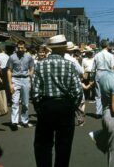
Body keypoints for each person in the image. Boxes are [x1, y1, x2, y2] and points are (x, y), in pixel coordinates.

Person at [32, 34, 83, 167]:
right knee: (64, 146)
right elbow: (78, 91)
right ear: (63, 49)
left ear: (51, 49)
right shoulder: (69, 65)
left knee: (43, 145)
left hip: (46, 105)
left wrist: (39, 107)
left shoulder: (40, 65)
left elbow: (35, 91)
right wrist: (72, 106)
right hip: (65, 106)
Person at [7, 40, 34, 130]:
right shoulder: (12, 57)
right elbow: (9, 71)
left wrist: (30, 77)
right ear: (16, 47)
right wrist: (10, 84)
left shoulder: (29, 57)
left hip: (25, 79)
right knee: (15, 102)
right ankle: (14, 122)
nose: (20, 49)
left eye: (22, 47)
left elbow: (31, 68)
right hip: (16, 79)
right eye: (19, 47)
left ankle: (24, 121)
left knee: (25, 102)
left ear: (25, 48)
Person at [92, 39, 114, 118]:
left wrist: (92, 78)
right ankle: (107, 111)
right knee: (108, 93)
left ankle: (98, 113)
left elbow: (93, 68)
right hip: (107, 73)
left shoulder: (96, 55)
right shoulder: (111, 55)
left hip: (99, 72)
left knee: (98, 94)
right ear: (107, 46)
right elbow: (113, 67)